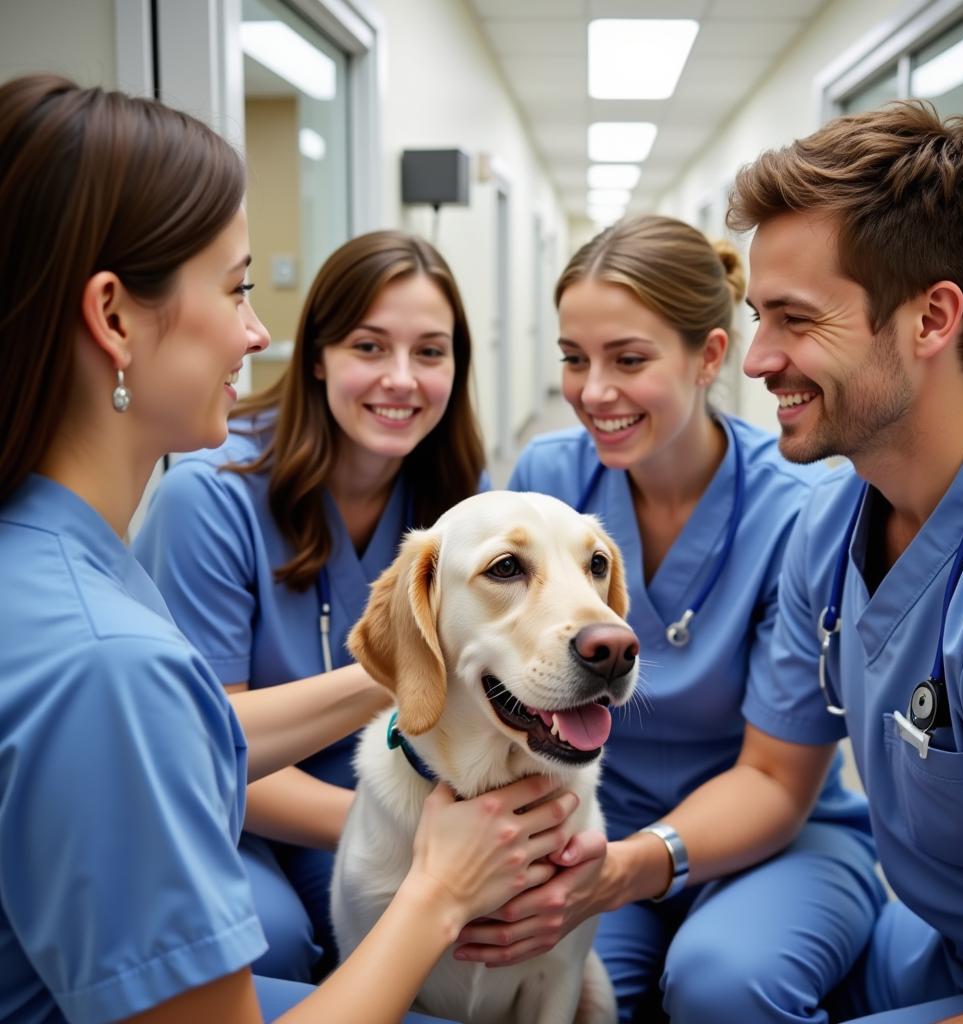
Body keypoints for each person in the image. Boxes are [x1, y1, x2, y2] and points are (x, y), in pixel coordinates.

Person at [0, 72, 582, 1024]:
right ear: (112, 318)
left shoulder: (48, 552)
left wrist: (414, 652)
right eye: (235, 290)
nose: (253, 329)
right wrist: (437, 883)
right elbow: (139, 717)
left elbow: (186, 737)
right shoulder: (112, 650)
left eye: (430, 352)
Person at [483, 214, 885, 1022]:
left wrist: (634, 864)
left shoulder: (801, 508)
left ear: (708, 356)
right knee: (574, 998)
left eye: (628, 360)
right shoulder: (547, 480)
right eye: (573, 359)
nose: (593, 392)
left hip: (779, 839)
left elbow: (776, 780)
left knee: (723, 983)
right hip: (591, 830)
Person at [726, 102, 963, 1023]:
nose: (755, 360)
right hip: (945, 938)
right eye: (754, 316)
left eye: (795, 320)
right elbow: (776, 774)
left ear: (932, 317)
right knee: (723, 983)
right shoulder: (832, 519)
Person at [133, 230, 486, 981]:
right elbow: (209, 752)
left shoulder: (461, 507)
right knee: (271, 940)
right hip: (237, 814)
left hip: (398, 797)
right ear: (318, 354)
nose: (402, 379)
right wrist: (404, 833)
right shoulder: (212, 497)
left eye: (430, 352)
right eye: (369, 347)